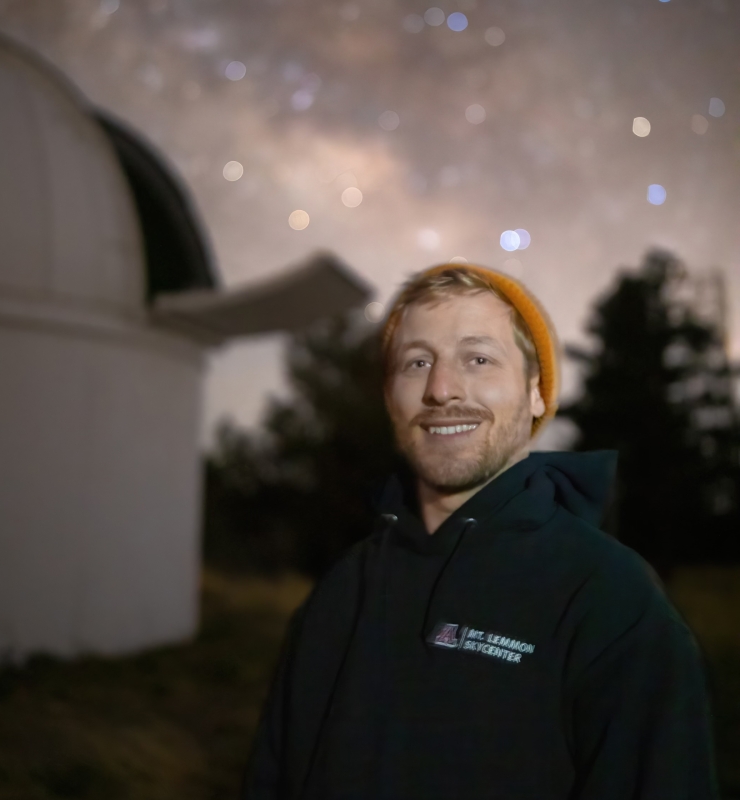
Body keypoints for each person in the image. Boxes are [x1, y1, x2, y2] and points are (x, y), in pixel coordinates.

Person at [242, 263, 720, 800]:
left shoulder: (612, 601)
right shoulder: (340, 590)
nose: (442, 389)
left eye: (479, 358)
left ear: (537, 394)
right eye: (417, 362)